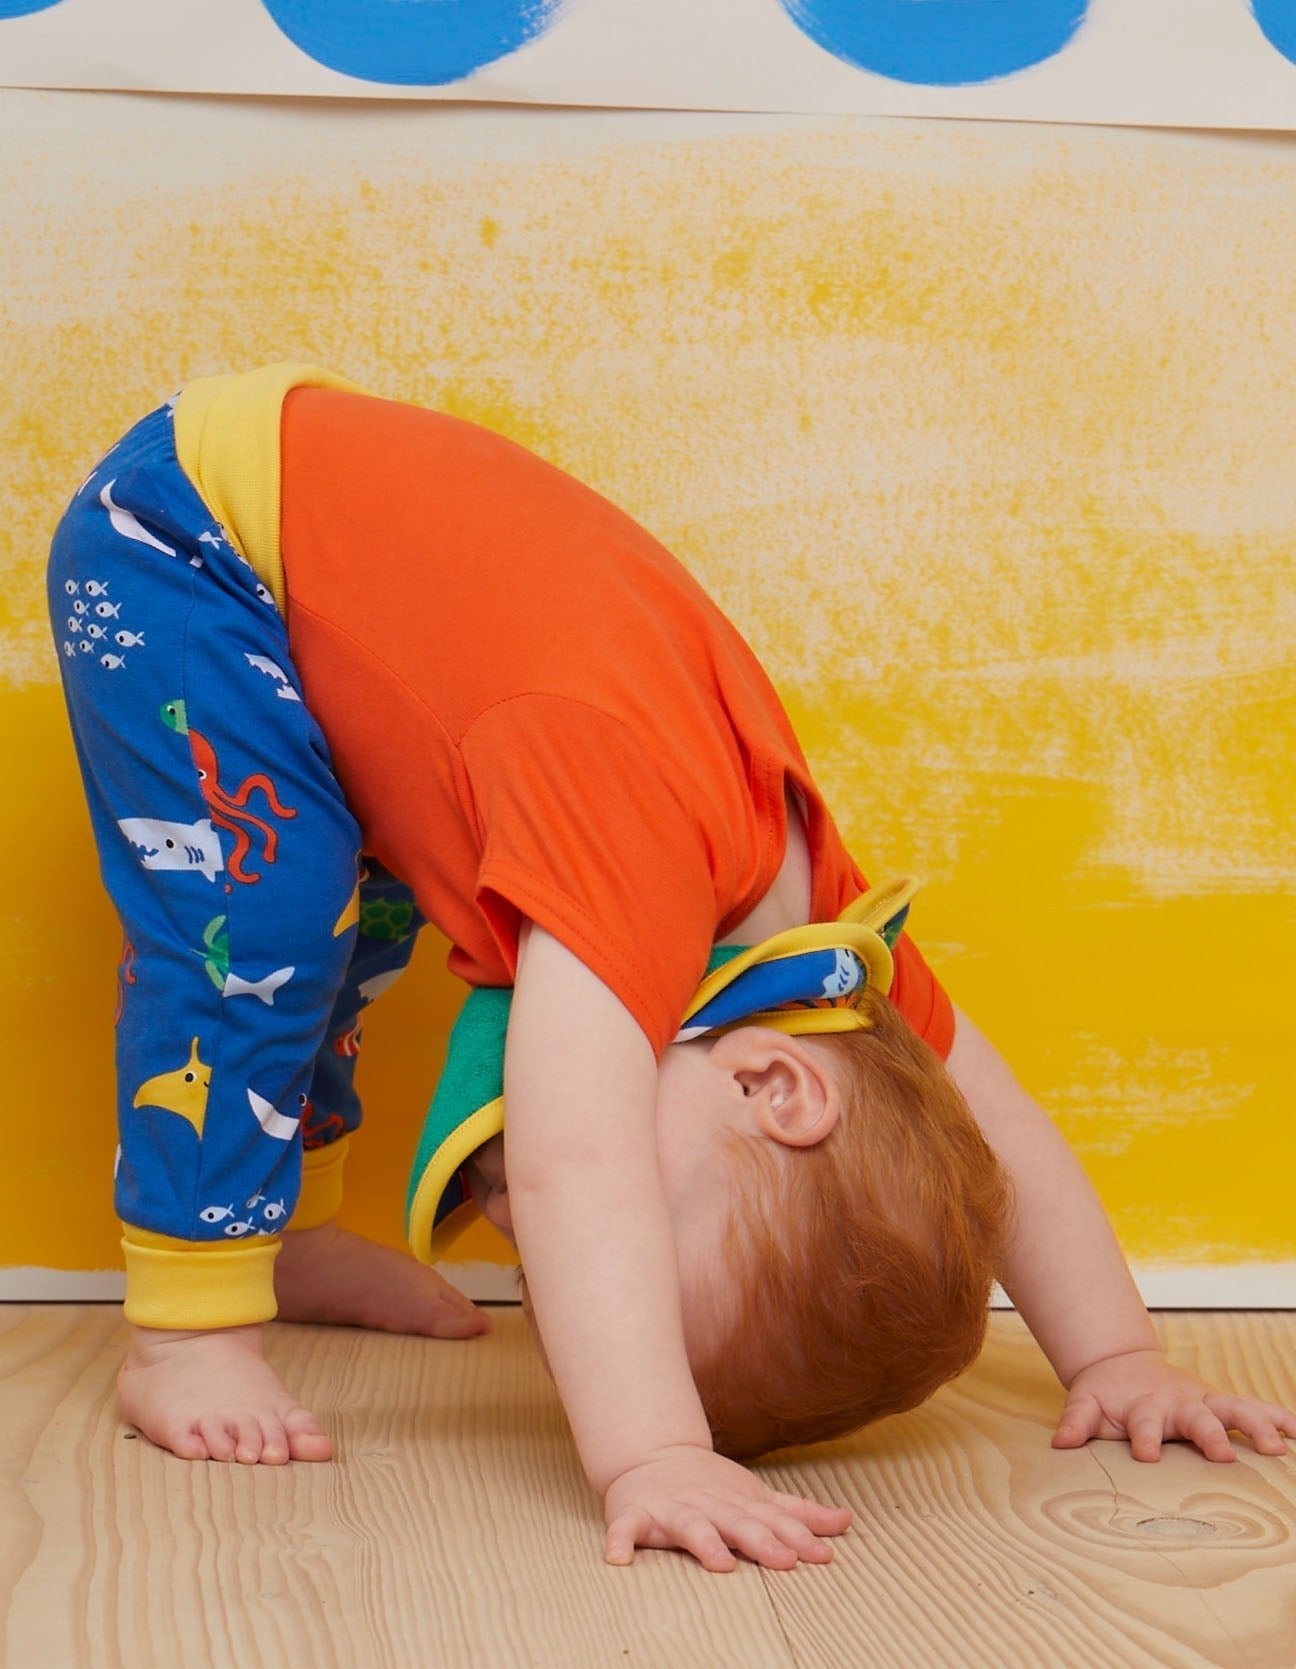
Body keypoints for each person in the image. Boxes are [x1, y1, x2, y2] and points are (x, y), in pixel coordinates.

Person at [47, 366, 1295, 1574]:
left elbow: (1002, 1132)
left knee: (351, 920)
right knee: (249, 928)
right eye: (620, 1245)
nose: (534, 1236)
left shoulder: (813, 942)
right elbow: (574, 1153)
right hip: (192, 532)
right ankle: (186, 1329)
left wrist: (1116, 1357)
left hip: (318, 582)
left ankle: (288, 1231)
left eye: (545, 1272)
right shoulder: (637, 862)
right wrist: (651, 1450)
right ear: (775, 1088)